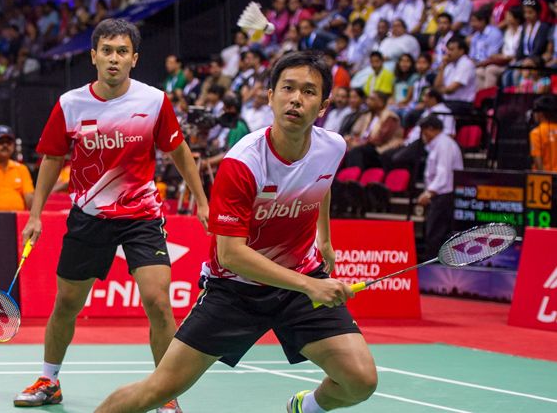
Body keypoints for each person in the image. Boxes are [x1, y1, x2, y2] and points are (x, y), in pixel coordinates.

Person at [95, 50, 377, 413]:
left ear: (322, 106)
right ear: (270, 96)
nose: (295, 98)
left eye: (308, 92)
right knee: (159, 389)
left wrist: (325, 238)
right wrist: (311, 285)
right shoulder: (243, 164)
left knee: (361, 380)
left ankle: (305, 408)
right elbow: (231, 254)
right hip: (236, 290)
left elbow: (321, 182)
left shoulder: (332, 146)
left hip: (298, 281)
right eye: (287, 88)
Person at [16, 19, 209, 413]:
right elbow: (52, 159)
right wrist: (34, 214)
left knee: (158, 301)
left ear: (134, 59)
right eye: (107, 50)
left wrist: (202, 201)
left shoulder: (153, 101)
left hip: (142, 215)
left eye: (122, 51)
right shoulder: (71, 104)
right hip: (88, 216)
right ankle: (49, 380)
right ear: (94, 56)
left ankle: (164, 393)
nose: (114, 58)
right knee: (67, 303)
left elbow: (180, 152)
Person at [417, 115, 462, 259]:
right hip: (439, 195)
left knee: (436, 234)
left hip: (444, 195)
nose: (423, 136)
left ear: (431, 129)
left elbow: (444, 173)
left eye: (424, 131)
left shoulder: (445, 144)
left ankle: (434, 267)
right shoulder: (438, 144)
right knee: (433, 233)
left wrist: (429, 193)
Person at [529, 95, 557, 172]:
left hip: (545, 179)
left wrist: (546, 179)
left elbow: (538, 161)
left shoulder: (536, 133)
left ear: (540, 113)